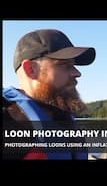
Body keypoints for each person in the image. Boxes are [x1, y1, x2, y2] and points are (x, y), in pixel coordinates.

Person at [3, 29, 96, 160]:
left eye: (73, 65)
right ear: (30, 69)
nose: (77, 73)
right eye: (64, 64)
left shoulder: (62, 118)